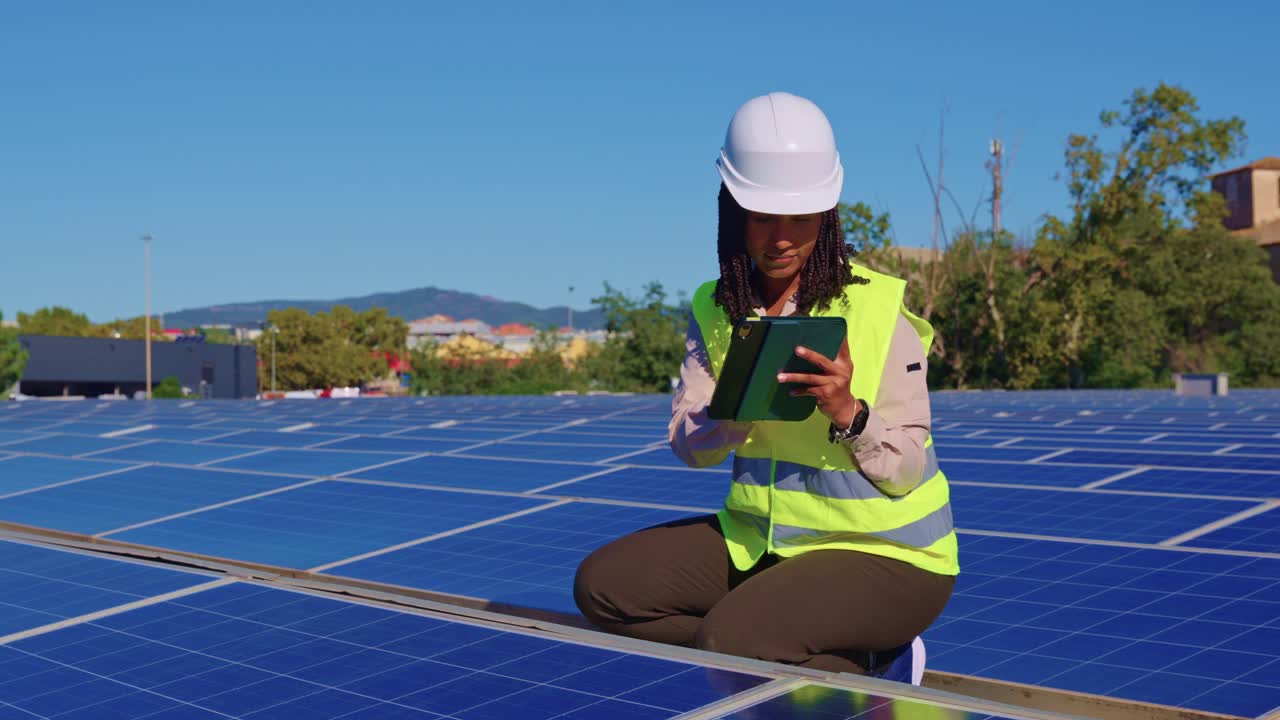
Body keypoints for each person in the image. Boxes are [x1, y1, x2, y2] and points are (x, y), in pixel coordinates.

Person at [573, 92, 958, 684]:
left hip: (888, 556)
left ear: (827, 216)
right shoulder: (715, 306)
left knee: (733, 641)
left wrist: (849, 412)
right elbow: (690, 446)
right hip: (762, 544)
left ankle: (887, 661)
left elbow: (908, 470)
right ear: (731, 209)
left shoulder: (879, 308)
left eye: (801, 218)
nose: (781, 237)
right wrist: (732, 414)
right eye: (762, 216)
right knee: (604, 590)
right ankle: (834, 656)